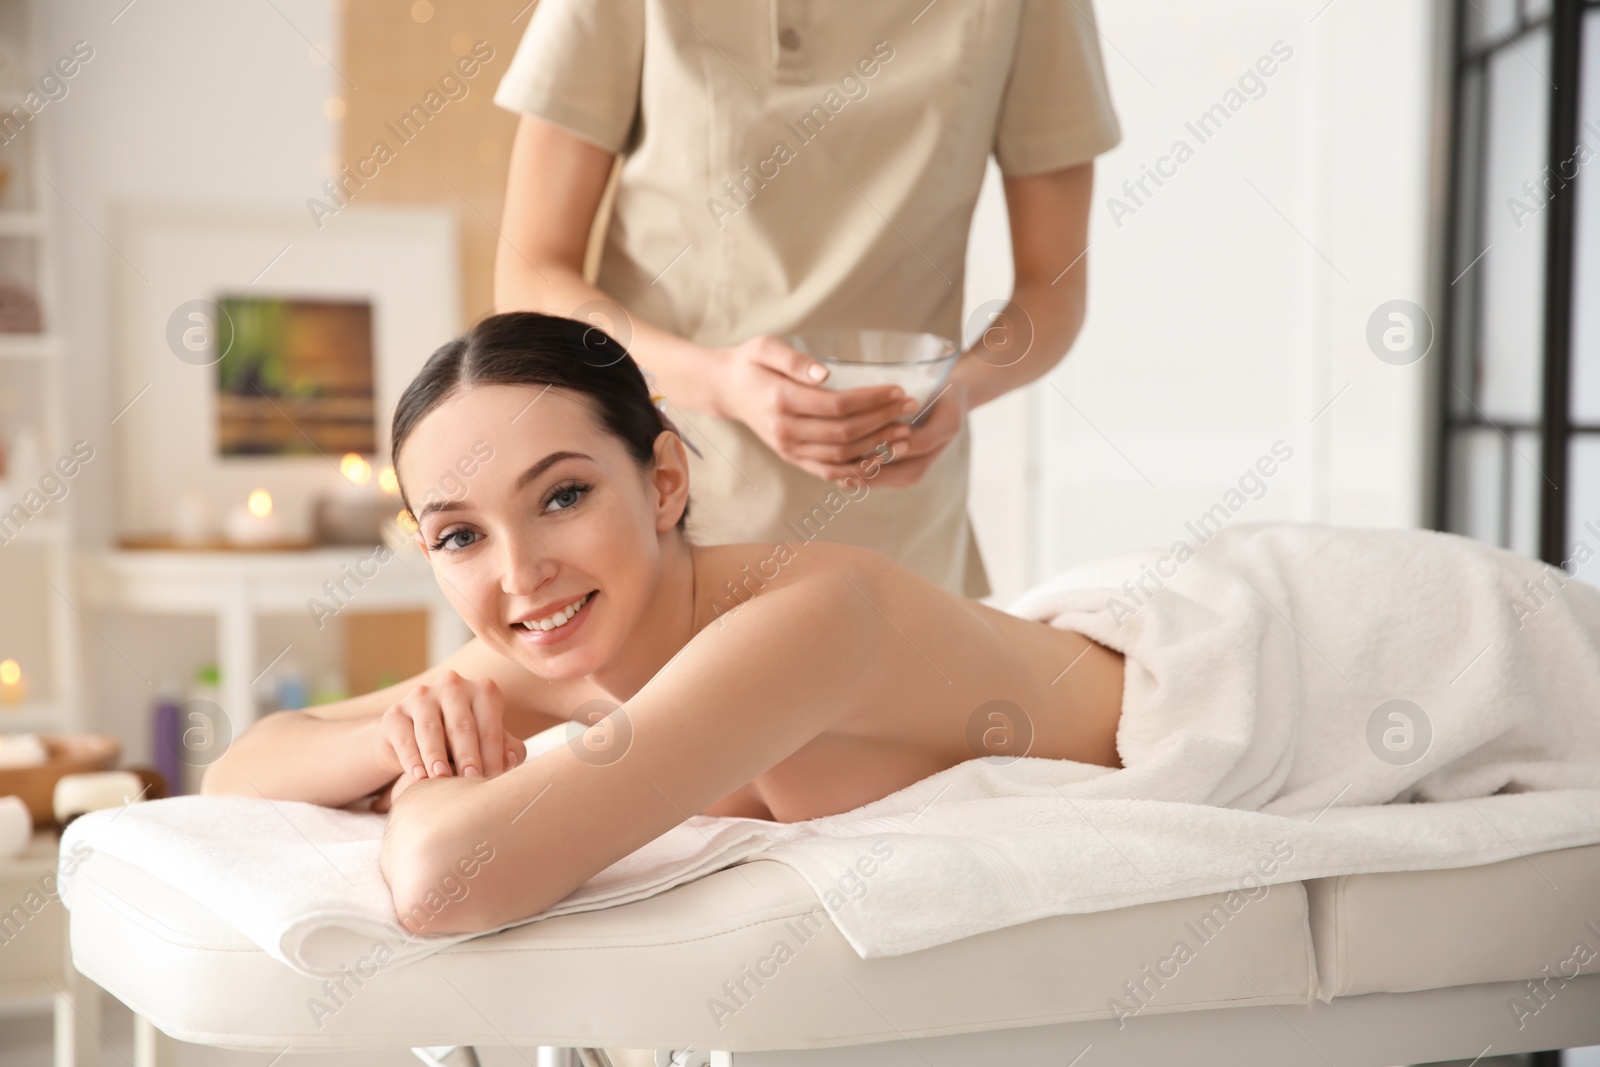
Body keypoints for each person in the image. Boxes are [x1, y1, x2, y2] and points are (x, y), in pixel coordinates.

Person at [200, 312, 1127, 935]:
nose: (520, 573)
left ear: (664, 481)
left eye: (563, 495)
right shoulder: (557, 646)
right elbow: (239, 769)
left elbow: (449, 877)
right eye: (459, 535)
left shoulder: (801, 624)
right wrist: (402, 732)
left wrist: (424, 779)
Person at [488, 0, 1121, 600]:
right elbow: (530, 272)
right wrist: (717, 382)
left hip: (896, 529)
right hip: (664, 506)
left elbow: (1054, 289)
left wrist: (959, 388)